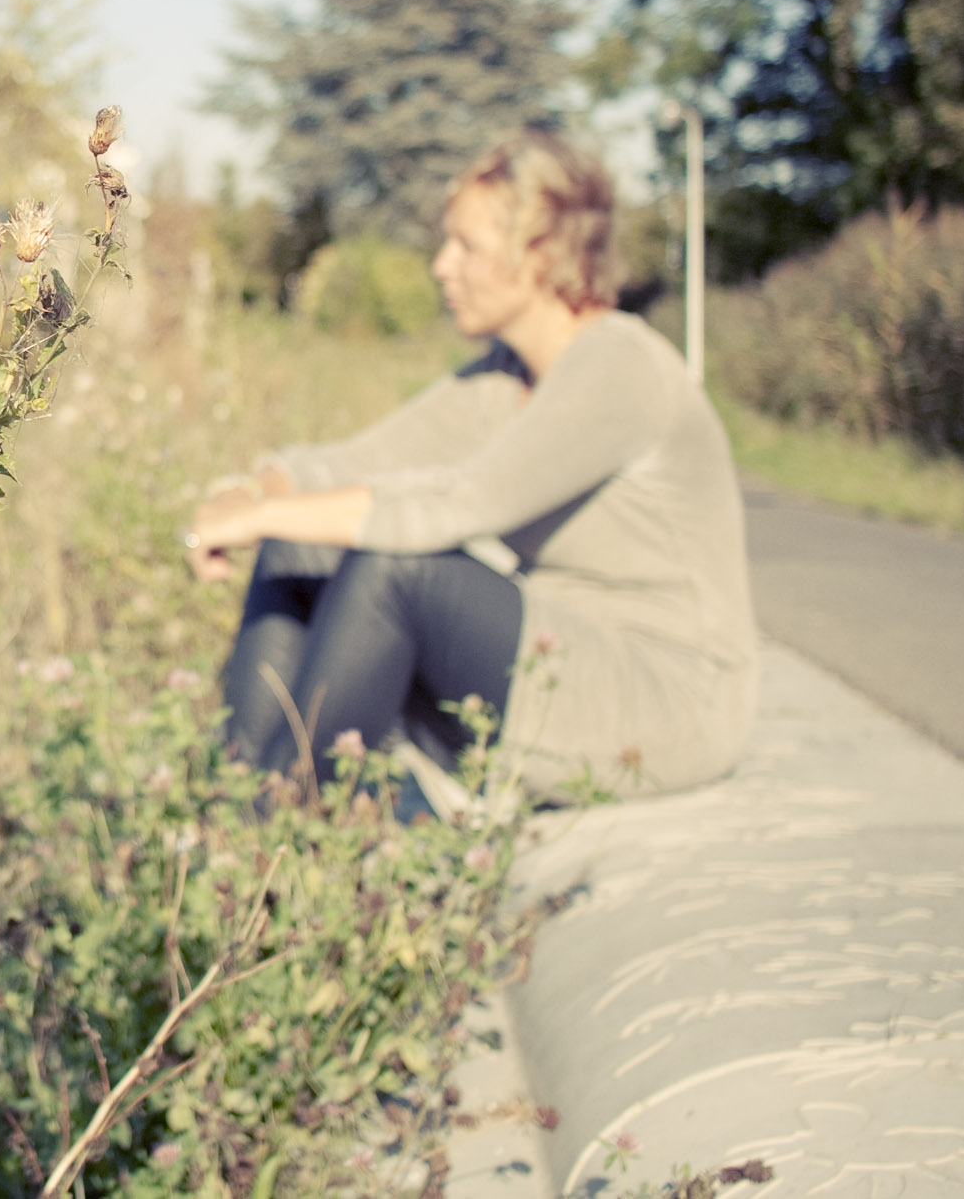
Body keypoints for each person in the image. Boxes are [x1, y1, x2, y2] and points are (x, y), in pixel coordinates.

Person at [186, 132, 756, 802]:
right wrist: (249, 494)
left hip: (662, 704)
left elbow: (457, 504)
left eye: (467, 247)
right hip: (551, 663)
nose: (441, 266)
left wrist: (265, 511)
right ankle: (232, 805)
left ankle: (275, 823)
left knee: (399, 565)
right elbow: (351, 464)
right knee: (298, 543)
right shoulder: (505, 379)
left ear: (541, 254)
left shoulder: (620, 367)